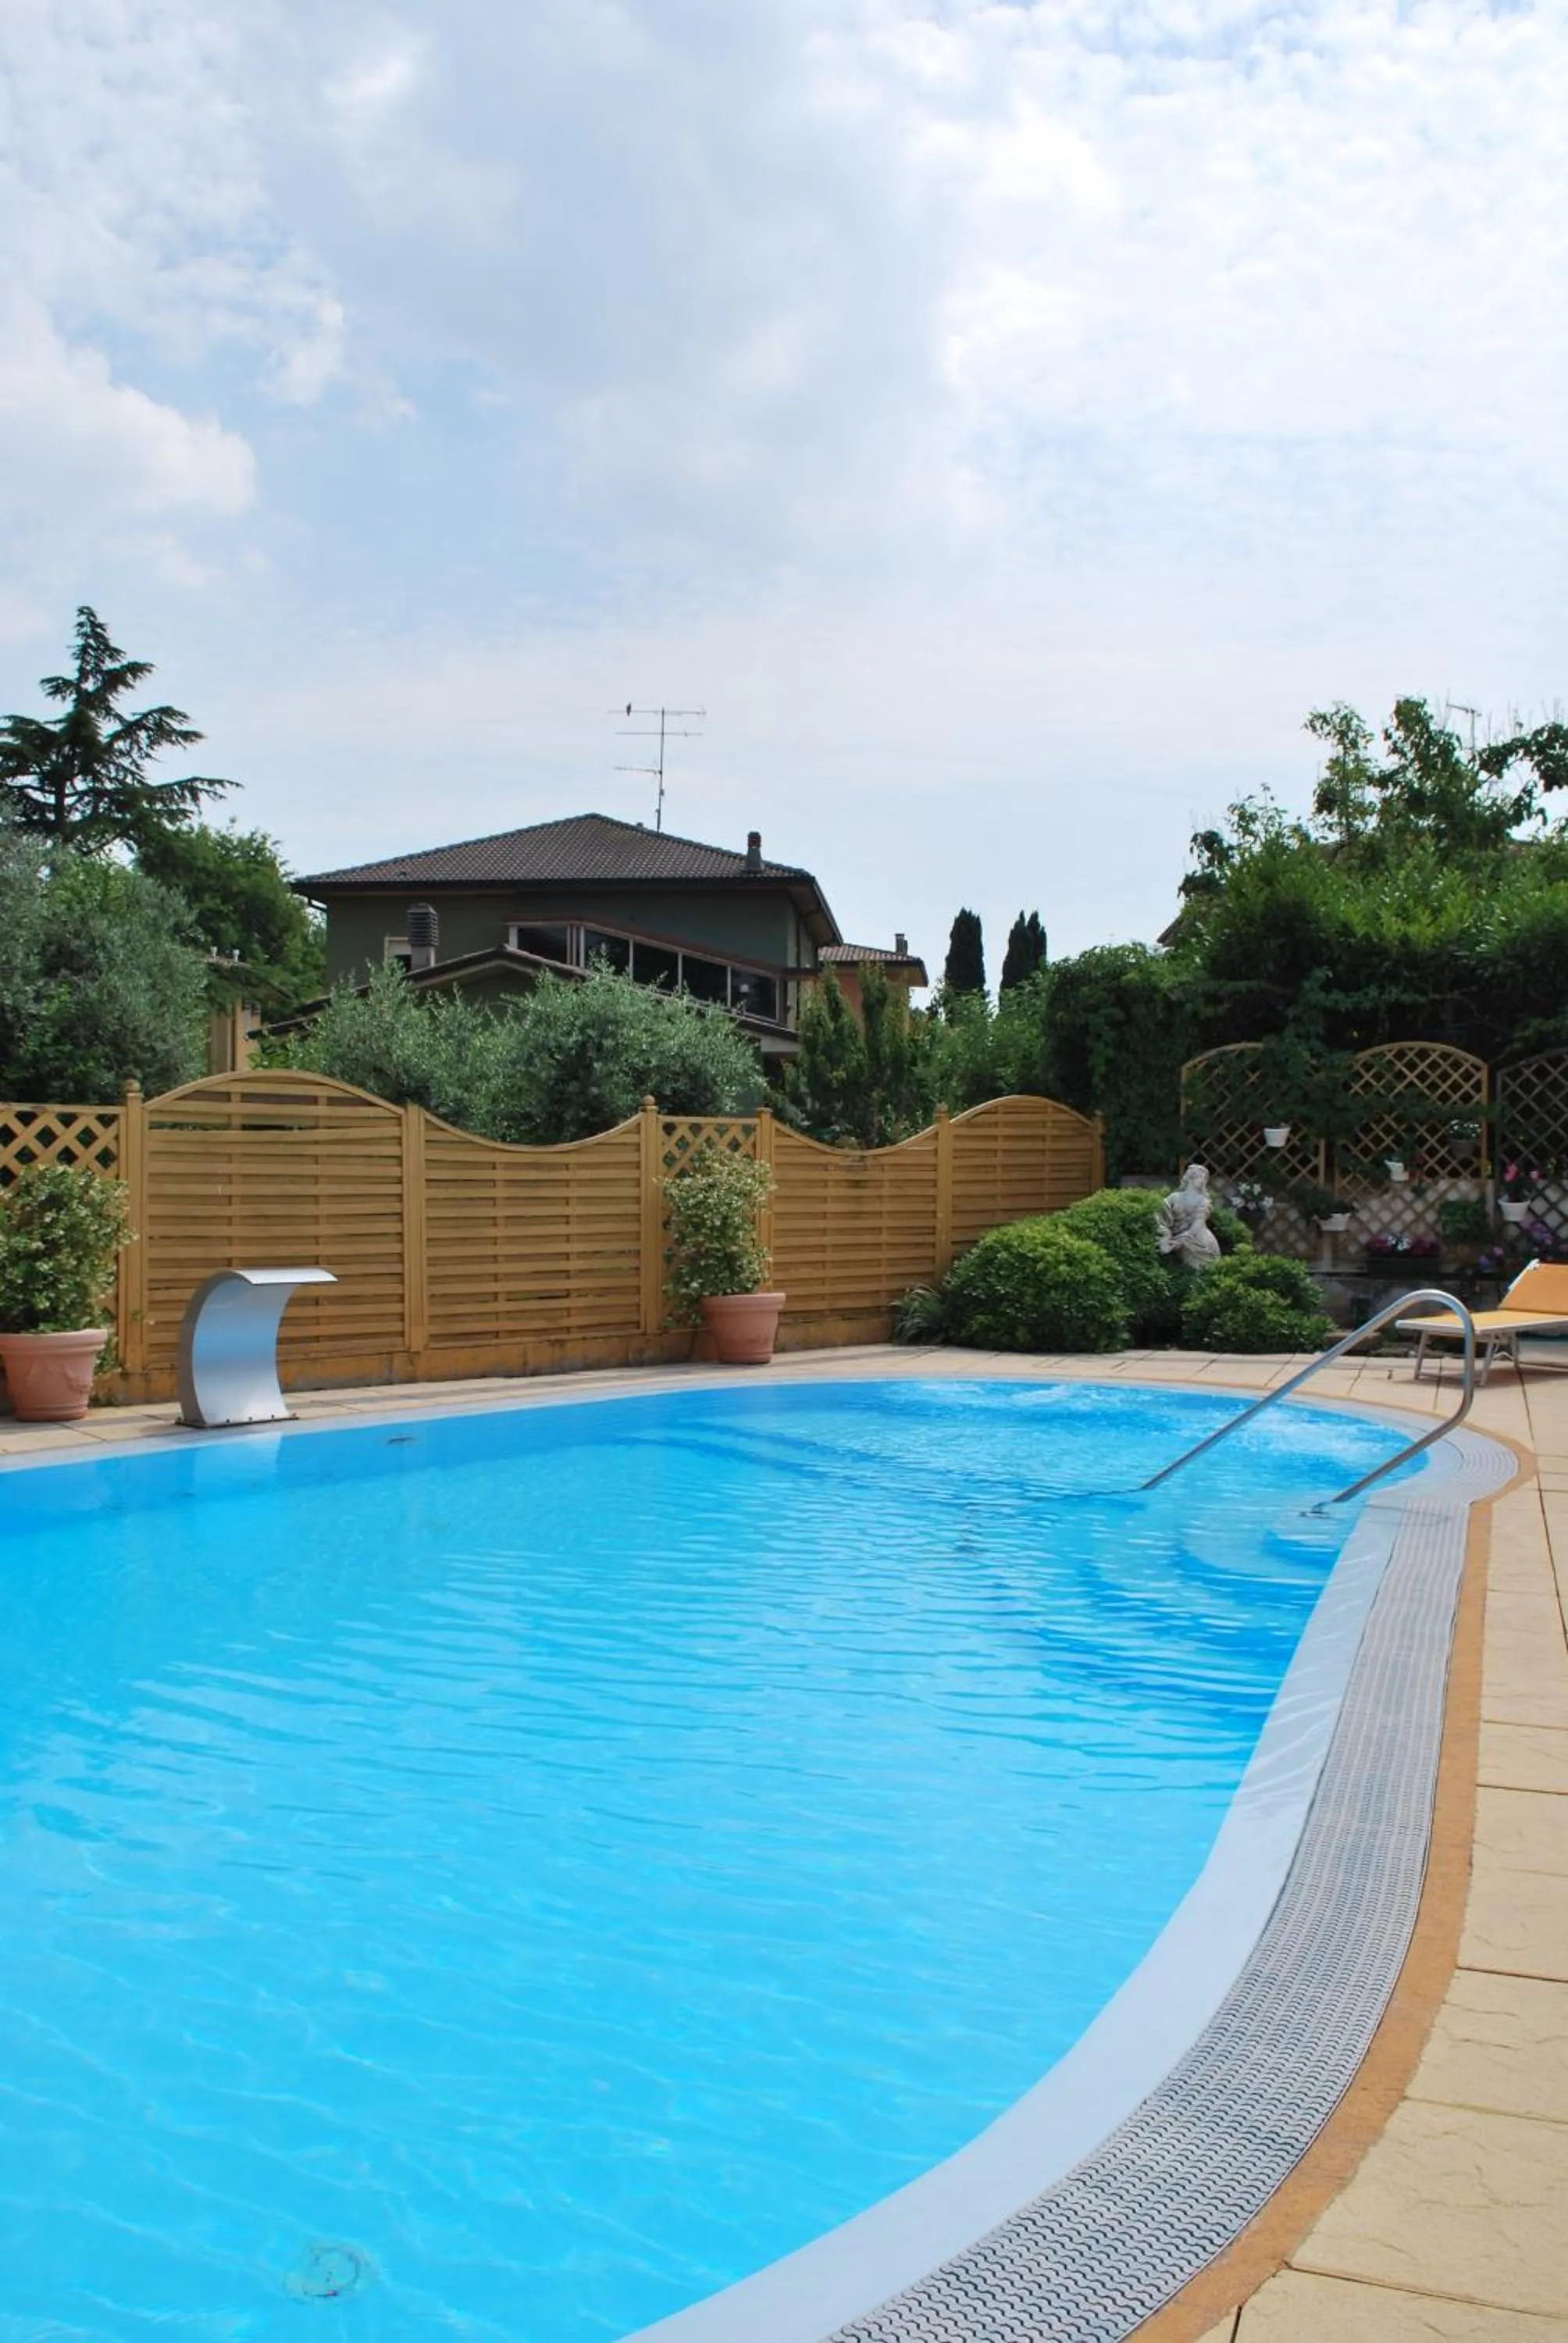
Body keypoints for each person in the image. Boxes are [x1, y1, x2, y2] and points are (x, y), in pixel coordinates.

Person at [1156, 1163, 1222, 1271]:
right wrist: (1166, 1234)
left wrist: (1181, 1240)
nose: (1203, 1181)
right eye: (1201, 1177)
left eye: (1204, 1178)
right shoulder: (1174, 1197)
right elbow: (1162, 1217)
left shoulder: (1203, 1201)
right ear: (1191, 1177)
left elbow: (1198, 1224)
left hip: (1201, 1242)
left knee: (1201, 1274)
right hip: (1180, 1240)